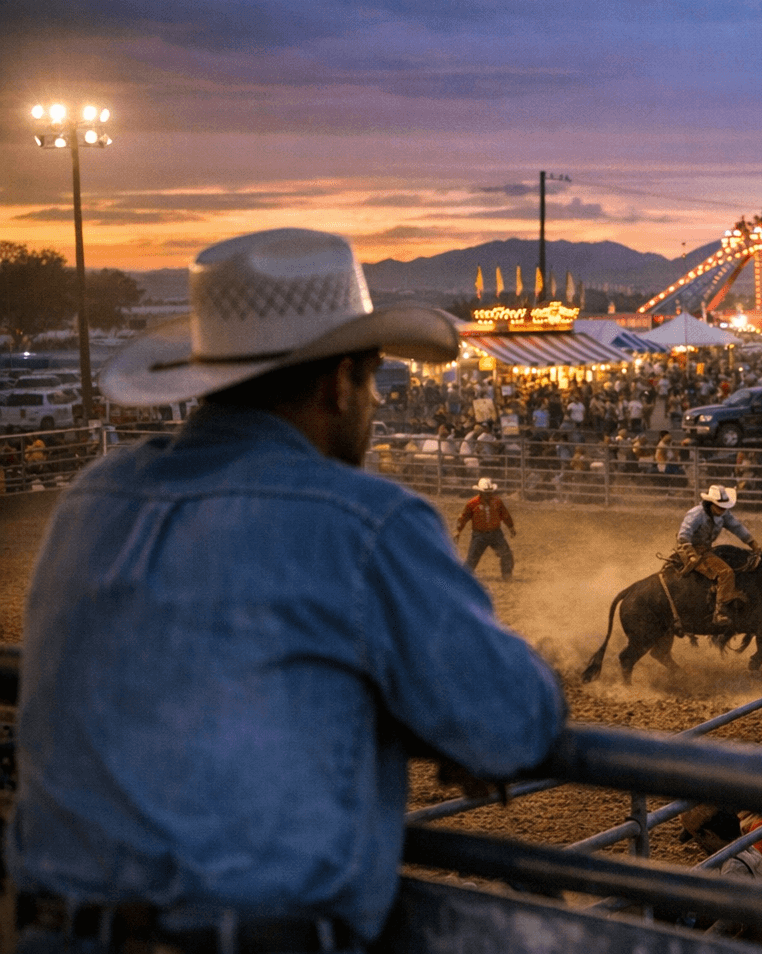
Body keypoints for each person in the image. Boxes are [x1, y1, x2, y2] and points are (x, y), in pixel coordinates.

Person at [9, 228, 567, 951]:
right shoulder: (364, 520)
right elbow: (507, 721)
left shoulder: (96, 497)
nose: (372, 401)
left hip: (56, 928)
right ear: (340, 382)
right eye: (371, 379)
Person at [676, 484, 762, 628]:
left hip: (705, 550)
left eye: (724, 507)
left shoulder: (723, 514)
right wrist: (691, 553)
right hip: (690, 550)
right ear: (711, 503)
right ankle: (720, 611)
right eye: (720, 507)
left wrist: (752, 543)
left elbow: (736, 527)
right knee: (725, 572)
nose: (722, 510)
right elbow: (683, 536)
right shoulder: (696, 514)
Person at [455, 476, 515, 580]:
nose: (488, 495)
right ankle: (463, 577)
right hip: (479, 535)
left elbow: (504, 514)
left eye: (489, 492)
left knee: (506, 554)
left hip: (496, 533)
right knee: (472, 559)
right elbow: (463, 518)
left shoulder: (497, 501)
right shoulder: (472, 503)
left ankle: (507, 575)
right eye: (486, 492)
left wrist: (511, 527)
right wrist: (458, 531)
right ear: (480, 492)